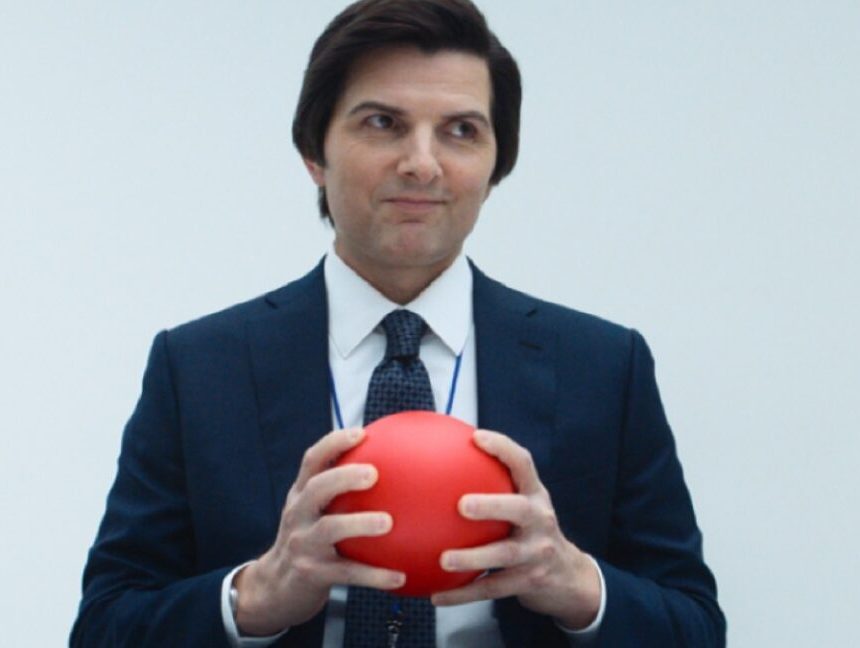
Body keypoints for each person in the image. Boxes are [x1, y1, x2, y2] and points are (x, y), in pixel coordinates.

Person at [70, 0, 725, 646]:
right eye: (383, 123)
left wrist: (578, 585)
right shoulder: (199, 368)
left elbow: (696, 627)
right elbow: (104, 627)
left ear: (496, 166)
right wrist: (255, 597)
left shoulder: (602, 367)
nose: (422, 163)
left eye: (461, 130)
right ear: (313, 152)